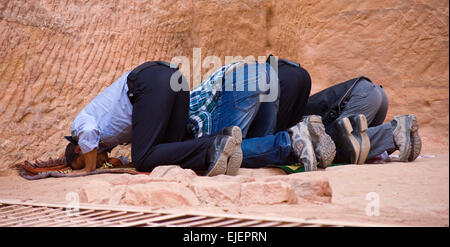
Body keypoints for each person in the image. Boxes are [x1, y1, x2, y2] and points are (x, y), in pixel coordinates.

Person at [64, 61, 243, 177]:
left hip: (149, 82)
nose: (98, 162)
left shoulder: (78, 126)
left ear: (80, 149)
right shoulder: (107, 141)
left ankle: (212, 147)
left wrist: (88, 170)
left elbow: (88, 132)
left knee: (143, 159)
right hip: (174, 79)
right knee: (168, 153)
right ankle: (223, 139)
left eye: (84, 161)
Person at [188, 57, 335, 172]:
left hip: (247, 80)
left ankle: (290, 142)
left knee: (225, 149)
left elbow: (205, 142)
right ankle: (301, 138)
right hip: (266, 73)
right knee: (256, 143)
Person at [304, 76, 422, 164]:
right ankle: (404, 138)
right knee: (360, 144)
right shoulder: (300, 106)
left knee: (338, 145)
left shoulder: (295, 121)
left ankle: (393, 132)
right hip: (372, 93)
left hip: (360, 97)